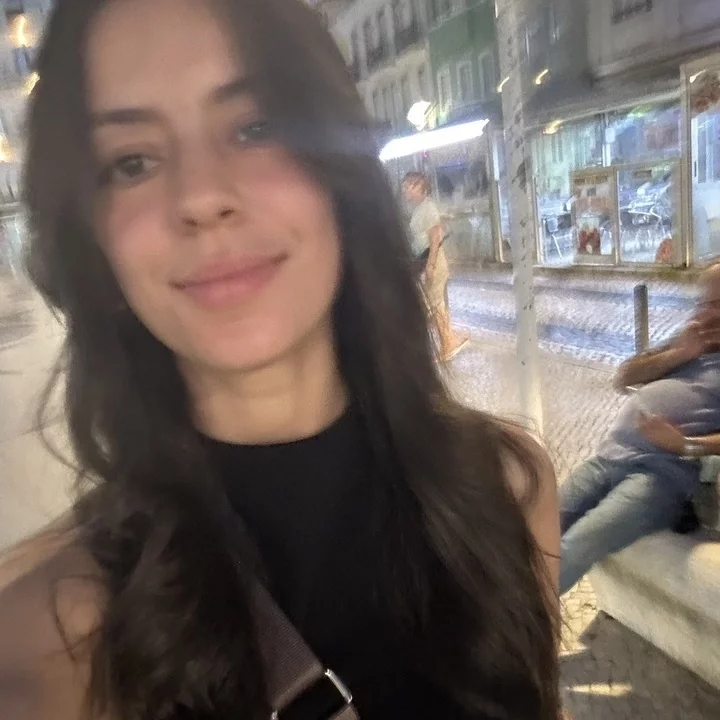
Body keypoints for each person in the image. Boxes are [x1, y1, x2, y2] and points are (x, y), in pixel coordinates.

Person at [0, 0, 562, 718]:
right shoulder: (45, 647)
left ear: (339, 173)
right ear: (94, 242)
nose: (202, 197)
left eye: (255, 126)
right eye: (132, 162)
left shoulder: (508, 489)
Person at [559, 264, 720, 595]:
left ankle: (510, 624)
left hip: (660, 476)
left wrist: (686, 445)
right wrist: (679, 353)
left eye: (717, 304)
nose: (707, 313)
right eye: (704, 303)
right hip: (609, 457)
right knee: (538, 527)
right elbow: (625, 377)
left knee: (574, 546)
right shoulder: (690, 339)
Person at [402, 171, 469, 362]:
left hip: (433, 261)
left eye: (409, 186)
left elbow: (435, 237)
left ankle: (447, 343)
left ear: (420, 187)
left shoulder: (428, 208)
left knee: (435, 302)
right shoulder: (418, 209)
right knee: (435, 302)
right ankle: (448, 340)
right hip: (425, 262)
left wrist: (430, 266)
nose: (405, 189)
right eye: (405, 186)